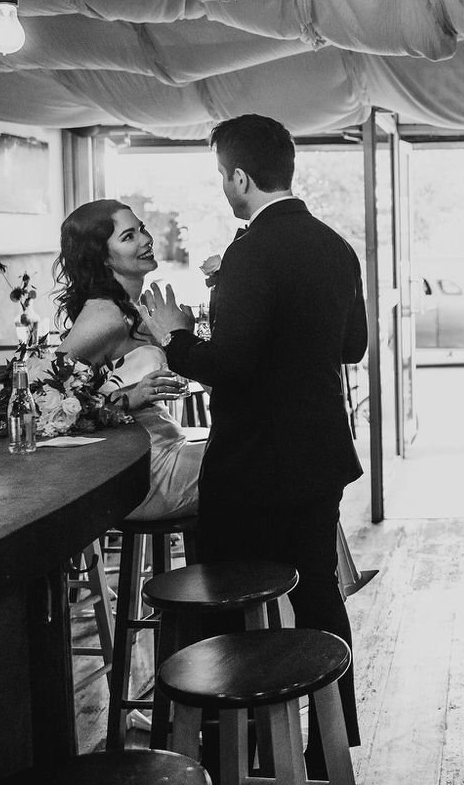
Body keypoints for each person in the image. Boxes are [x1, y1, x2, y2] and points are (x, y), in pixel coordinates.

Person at [139, 113, 368, 768]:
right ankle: (329, 745)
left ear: (240, 176)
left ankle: (230, 748)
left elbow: (230, 365)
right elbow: (350, 345)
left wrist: (174, 333)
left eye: (221, 174)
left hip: (252, 465)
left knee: (229, 601)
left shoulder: (249, 251)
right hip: (319, 452)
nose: (223, 186)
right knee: (319, 592)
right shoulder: (334, 246)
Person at [54, 199, 201, 522]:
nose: (146, 240)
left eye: (142, 229)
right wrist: (130, 398)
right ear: (102, 258)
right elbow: (46, 402)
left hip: (168, 447)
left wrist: (183, 337)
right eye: (129, 236)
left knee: (259, 452)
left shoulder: (134, 306)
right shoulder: (104, 316)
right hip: (144, 473)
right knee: (261, 461)